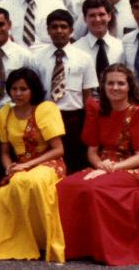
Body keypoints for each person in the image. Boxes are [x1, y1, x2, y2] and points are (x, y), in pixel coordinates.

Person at [56, 63, 139, 266]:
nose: (115, 87)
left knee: (95, 188)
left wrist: (113, 168)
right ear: (103, 86)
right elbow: (92, 152)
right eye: (110, 83)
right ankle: (78, 248)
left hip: (131, 168)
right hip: (103, 165)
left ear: (129, 86)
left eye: (120, 83)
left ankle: (106, 250)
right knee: (66, 186)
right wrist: (101, 166)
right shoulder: (98, 112)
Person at [0, 68, 67, 262]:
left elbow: (58, 149)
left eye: (23, 89)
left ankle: (44, 242)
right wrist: (9, 168)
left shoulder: (45, 109)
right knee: (11, 187)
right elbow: (5, 153)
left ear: (33, 90)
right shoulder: (5, 113)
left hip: (48, 162)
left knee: (35, 182)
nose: (18, 93)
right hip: (20, 166)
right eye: (14, 88)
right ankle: (22, 243)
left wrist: (29, 165)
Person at [27, 9, 97, 173]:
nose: (59, 31)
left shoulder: (84, 58)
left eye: (63, 27)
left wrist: (88, 122)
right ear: (48, 30)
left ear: (71, 30)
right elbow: (33, 93)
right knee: (48, 162)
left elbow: (87, 94)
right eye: (54, 27)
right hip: (46, 118)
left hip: (74, 117)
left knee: (74, 160)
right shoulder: (37, 58)